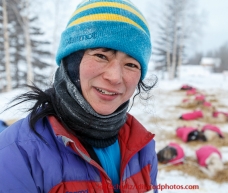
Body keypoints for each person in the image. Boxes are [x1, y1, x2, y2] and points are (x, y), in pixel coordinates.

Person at [0, 0, 158, 192]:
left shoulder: (142, 148)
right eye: (101, 55)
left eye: (131, 64)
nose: (115, 77)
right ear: (71, 61)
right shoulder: (17, 153)